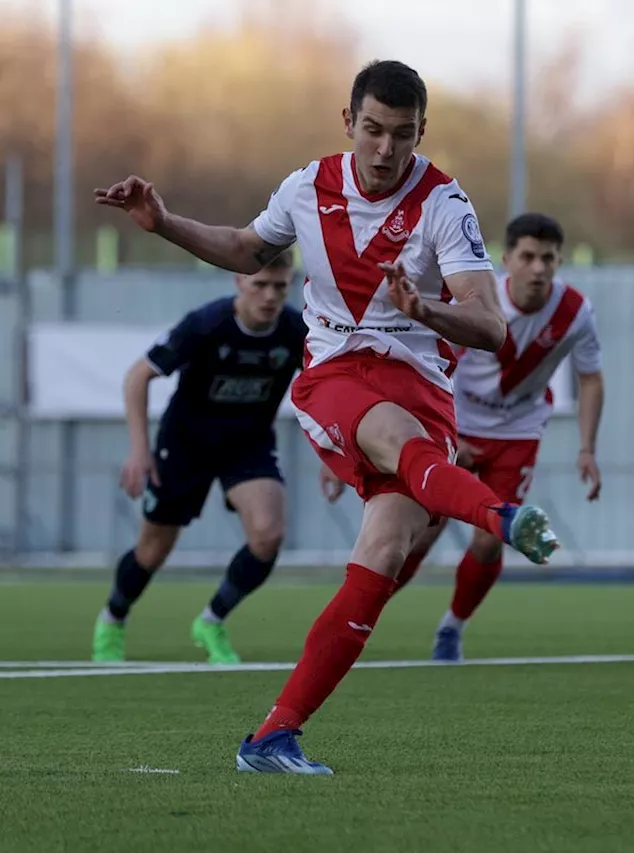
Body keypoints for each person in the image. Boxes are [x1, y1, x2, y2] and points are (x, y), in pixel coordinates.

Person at [94, 59, 559, 775]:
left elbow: (492, 325)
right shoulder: (307, 186)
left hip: (420, 383)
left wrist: (424, 309)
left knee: (383, 554)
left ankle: (272, 736)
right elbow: (248, 247)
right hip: (338, 374)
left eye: (401, 135)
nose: (384, 150)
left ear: (421, 132)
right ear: (348, 122)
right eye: (372, 130)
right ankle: (498, 515)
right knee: (398, 442)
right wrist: (164, 225)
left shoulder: (444, 201)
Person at [91, 253, 346, 665]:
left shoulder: (295, 331)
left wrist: (333, 453)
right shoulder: (207, 324)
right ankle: (112, 619)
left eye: (279, 287)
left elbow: (328, 391)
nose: (269, 296)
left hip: (247, 445)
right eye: (259, 285)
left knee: (268, 534)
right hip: (185, 444)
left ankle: (211, 621)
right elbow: (138, 376)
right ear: (238, 283)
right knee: (153, 550)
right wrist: (139, 450)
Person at [391, 211, 604, 662]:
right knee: (421, 533)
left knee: (491, 537)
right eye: (528, 257)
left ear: (559, 261)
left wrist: (587, 449)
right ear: (507, 259)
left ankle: (452, 627)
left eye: (548, 258)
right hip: (458, 427)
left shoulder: (575, 313)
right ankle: (364, 617)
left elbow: (591, 379)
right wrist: (446, 428)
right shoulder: (477, 304)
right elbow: (433, 363)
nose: (539, 268)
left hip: (517, 433)